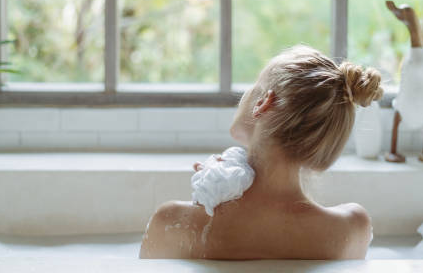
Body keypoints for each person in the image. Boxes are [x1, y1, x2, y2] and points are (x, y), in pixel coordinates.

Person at [140, 46, 383, 260]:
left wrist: (204, 202)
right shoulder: (351, 230)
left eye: (255, 85)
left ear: (263, 103)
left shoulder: (174, 223)